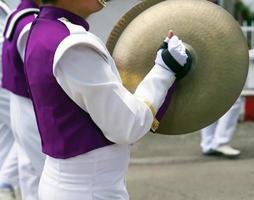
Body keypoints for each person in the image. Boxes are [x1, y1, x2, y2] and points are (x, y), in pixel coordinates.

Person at [24, 0, 192, 199]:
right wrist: (165, 69)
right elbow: (127, 125)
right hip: (89, 190)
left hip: (69, 184)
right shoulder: (73, 45)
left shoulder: (43, 29)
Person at [1, 0, 45, 199]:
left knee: (25, 159)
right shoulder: (29, 22)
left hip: (17, 95)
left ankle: (5, 183)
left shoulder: (21, 16)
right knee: (39, 166)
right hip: (27, 101)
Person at [0, 2, 20, 199]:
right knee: (27, 128)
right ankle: (5, 182)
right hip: (5, 77)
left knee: (7, 135)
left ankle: (4, 182)